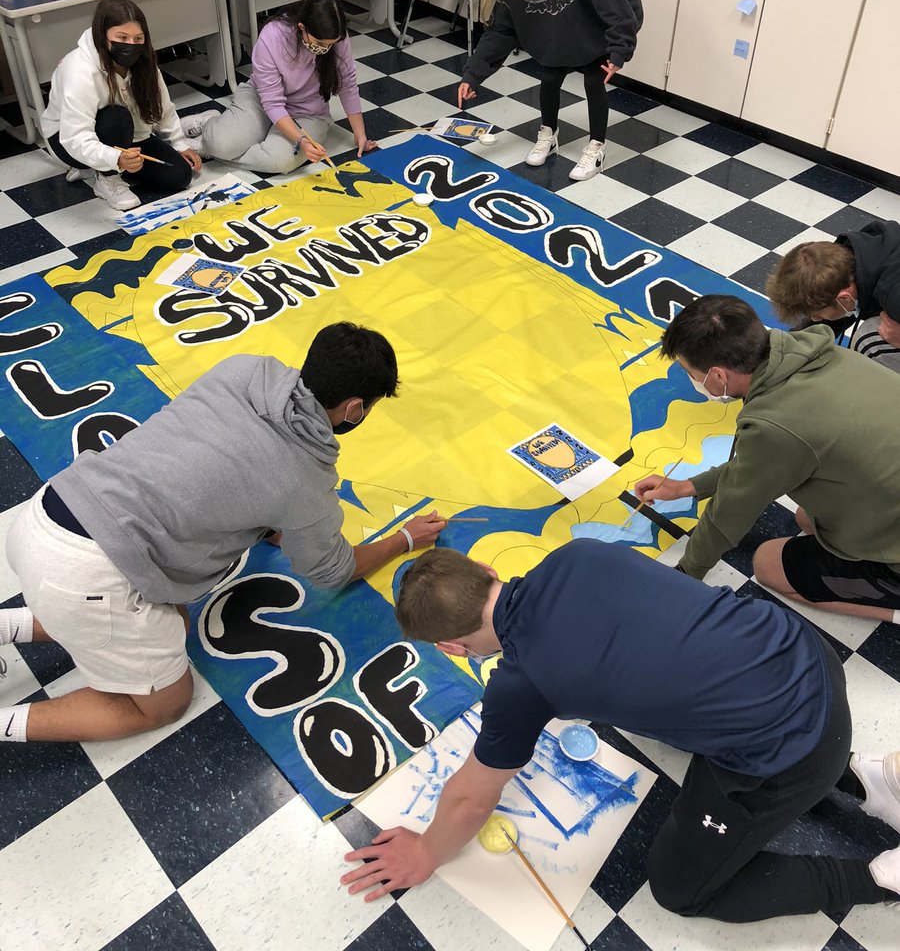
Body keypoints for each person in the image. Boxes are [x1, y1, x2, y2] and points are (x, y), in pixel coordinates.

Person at [340, 541, 900, 920]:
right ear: (489, 571)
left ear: (451, 648)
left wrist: (425, 852)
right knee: (672, 711)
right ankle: (868, 779)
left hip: (792, 749)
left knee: (680, 890)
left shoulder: (519, 684)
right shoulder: (577, 554)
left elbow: (469, 797)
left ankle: (878, 879)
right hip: (807, 655)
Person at [0, 323, 446, 745]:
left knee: (171, 621)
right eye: (369, 406)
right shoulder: (307, 481)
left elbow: (218, 460)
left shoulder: (244, 369)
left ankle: (10, 623)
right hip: (85, 575)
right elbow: (334, 571)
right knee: (164, 704)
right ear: (354, 409)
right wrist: (404, 538)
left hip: (49, 510)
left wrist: (276, 522)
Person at [632, 295, 900, 621]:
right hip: (886, 493)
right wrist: (687, 487)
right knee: (806, 517)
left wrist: (685, 575)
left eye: (691, 372)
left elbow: (728, 514)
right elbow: (759, 463)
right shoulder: (821, 355)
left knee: (768, 563)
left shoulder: (774, 425)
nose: (693, 380)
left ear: (718, 376)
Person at [456, 0, 642, 183]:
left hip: (596, 29)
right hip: (560, 33)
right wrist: (473, 73)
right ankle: (548, 135)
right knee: (551, 78)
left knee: (594, 82)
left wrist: (620, 48)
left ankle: (596, 147)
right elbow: (502, 31)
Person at [41, 0, 201, 212]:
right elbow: (75, 136)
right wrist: (114, 159)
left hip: (128, 135)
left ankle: (102, 166)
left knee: (179, 176)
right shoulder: (79, 70)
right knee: (116, 116)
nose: (131, 45)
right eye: (122, 37)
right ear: (103, 35)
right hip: (67, 139)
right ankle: (107, 178)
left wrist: (179, 142)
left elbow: (162, 103)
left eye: (138, 38)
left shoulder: (143, 60)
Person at [187, 0, 378, 173]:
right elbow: (272, 103)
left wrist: (360, 134)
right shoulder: (273, 36)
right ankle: (210, 125)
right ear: (302, 27)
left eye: (330, 44)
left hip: (308, 112)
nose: (325, 48)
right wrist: (301, 140)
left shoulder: (338, 38)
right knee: (220, 143)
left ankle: (221, 146)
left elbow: (348, 85)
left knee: (281, 161)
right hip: (260, 99)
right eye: (320, 43)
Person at [767, 220, 900, 374]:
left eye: (817, 313)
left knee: (869, 340)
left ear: (844, 298)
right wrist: (783, 354)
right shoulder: (849, 259)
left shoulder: (894, 294)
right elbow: (821, 325)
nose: (816, 318)